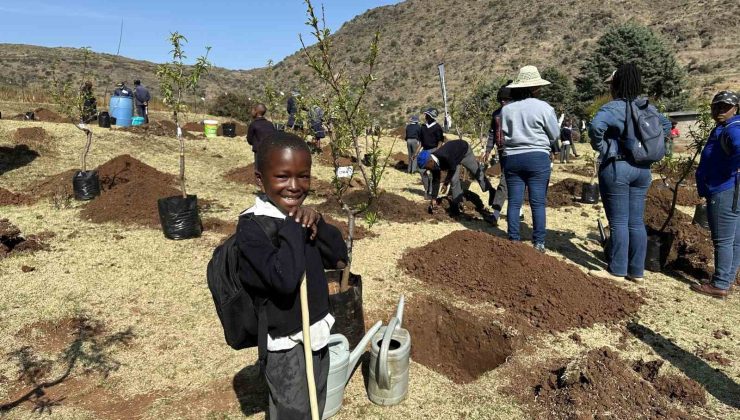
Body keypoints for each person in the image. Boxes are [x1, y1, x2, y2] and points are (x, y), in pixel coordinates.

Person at [237, 131, 348, 418]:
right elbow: (285, 280)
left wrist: (319, 223)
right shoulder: (252, 228)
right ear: (260, 179)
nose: (295, 186)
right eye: (283, 177)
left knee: (316, 401)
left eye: (304, 176)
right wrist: (291, 228)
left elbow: (339, 257)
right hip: (285, 343)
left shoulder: (304, 217)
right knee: (292, 411)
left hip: (317, 332)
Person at [588, 63, 671, 282]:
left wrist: (604, 147)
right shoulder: (647, 107)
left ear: (615, 85)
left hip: (618, 167)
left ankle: (617, 270)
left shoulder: (613, 107)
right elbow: (666, 125)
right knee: (636, 221)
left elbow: (596, 126)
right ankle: (636, 271)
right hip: (643, 170)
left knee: (619, 222)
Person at [501, 66, 559, 252]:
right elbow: (555, 134)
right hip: (537, 157)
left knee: (514, 201)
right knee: (537, 202)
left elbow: (504, 133)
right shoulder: (544, 107)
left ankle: (514, 240)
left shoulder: (506, 110)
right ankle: (539, 242)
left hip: (512, 158)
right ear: (534, 88)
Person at [691, 90, 740, 298]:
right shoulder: (725, 128)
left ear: (735, 108)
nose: (720, 110)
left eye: (725, 107)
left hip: (724, 189)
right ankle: (726, 279)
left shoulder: (732, 128)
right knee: (735, 239)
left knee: (723, 239)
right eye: (717, 106)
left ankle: (720, 284)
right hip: (731, 187)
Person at [417, 139, 494, 217]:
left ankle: (491, 190)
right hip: (454, 158)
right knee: (454, 180)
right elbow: (436, 180)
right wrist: (434, 199)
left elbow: (452, 169)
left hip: (464, 151)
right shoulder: (433, 164)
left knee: (477, 173)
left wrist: (446, 183)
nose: (427, 169)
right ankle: (456, 206)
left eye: (426, 167)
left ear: (430, 161)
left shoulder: (444, 156)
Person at [483, 81, 512, 225]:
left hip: (513, 151)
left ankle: (495, 214)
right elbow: (492, 134)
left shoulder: (516, 112)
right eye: (501, 99)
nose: (503, 101)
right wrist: (488, 150)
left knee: (505, 181)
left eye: (505, 99)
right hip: (501, 150)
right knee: (509, 181)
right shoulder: (496, 114)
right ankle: (516, 212)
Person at [417, 108, 445, 198]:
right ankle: (426, 189)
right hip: (424, 151)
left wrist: (437, 153)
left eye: (427, 115)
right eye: (426, 115)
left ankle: (431, 193)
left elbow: (440, 141)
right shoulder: (423, 127)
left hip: (433, 150)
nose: (425, 116)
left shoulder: (437, 128)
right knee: (422, 171)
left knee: (433, 172)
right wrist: (416, 153)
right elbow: (421, 142)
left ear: (431, 117)